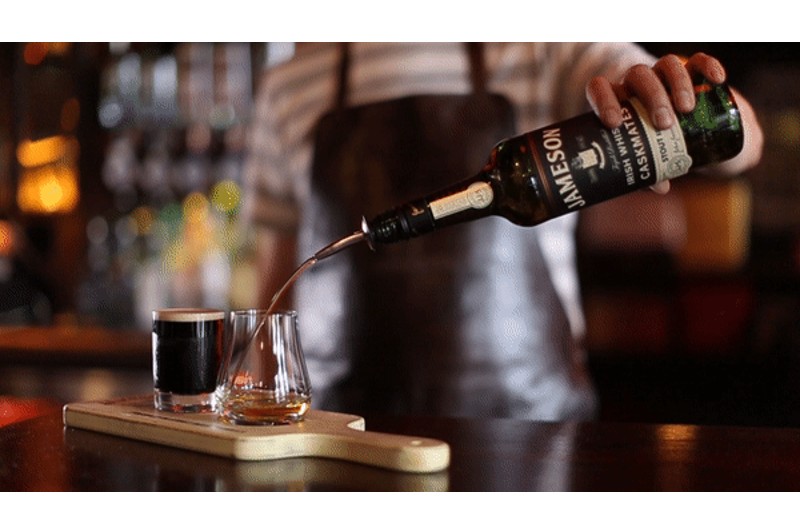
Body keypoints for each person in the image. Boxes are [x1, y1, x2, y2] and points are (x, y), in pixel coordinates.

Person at [241, 43, 763, 421]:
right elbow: (277, 280)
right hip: (341, 435)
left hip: (530, 429)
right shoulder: (291, 81)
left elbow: (744, 140)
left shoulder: (544, 45)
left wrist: (676, 100)